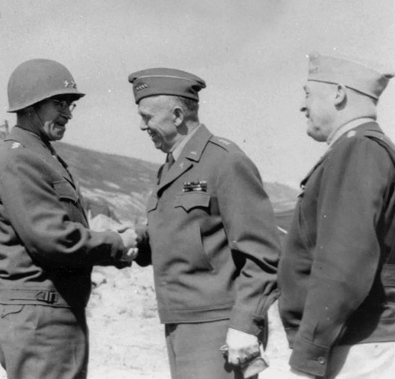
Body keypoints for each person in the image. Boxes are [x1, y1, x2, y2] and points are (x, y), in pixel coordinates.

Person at [0, 58, 138, 379]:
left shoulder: (41, 155)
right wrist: (118, 243)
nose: (68, 113)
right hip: (42, 318)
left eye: (70, 104)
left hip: (51, 313)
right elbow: (53, 239)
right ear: (30, 105)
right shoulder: (22, 160)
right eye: (59, 103)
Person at [127, 68, 281, 379]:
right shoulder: (171, 167)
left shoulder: (225, 161)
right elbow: (183, 232)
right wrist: (138, 240)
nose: (142, 126)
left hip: (218, 325)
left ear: (177, 114)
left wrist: (245, 325)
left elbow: (262, 255)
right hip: (180, 321)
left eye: (147, 117)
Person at [278, 52, 395, 378]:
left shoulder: (357, 149)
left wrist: (308, 354)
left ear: (339, 94)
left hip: (356, 346)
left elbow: (343, 263)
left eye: (307, 94)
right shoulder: (358, 148)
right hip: (354, 340)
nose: (302, 106)